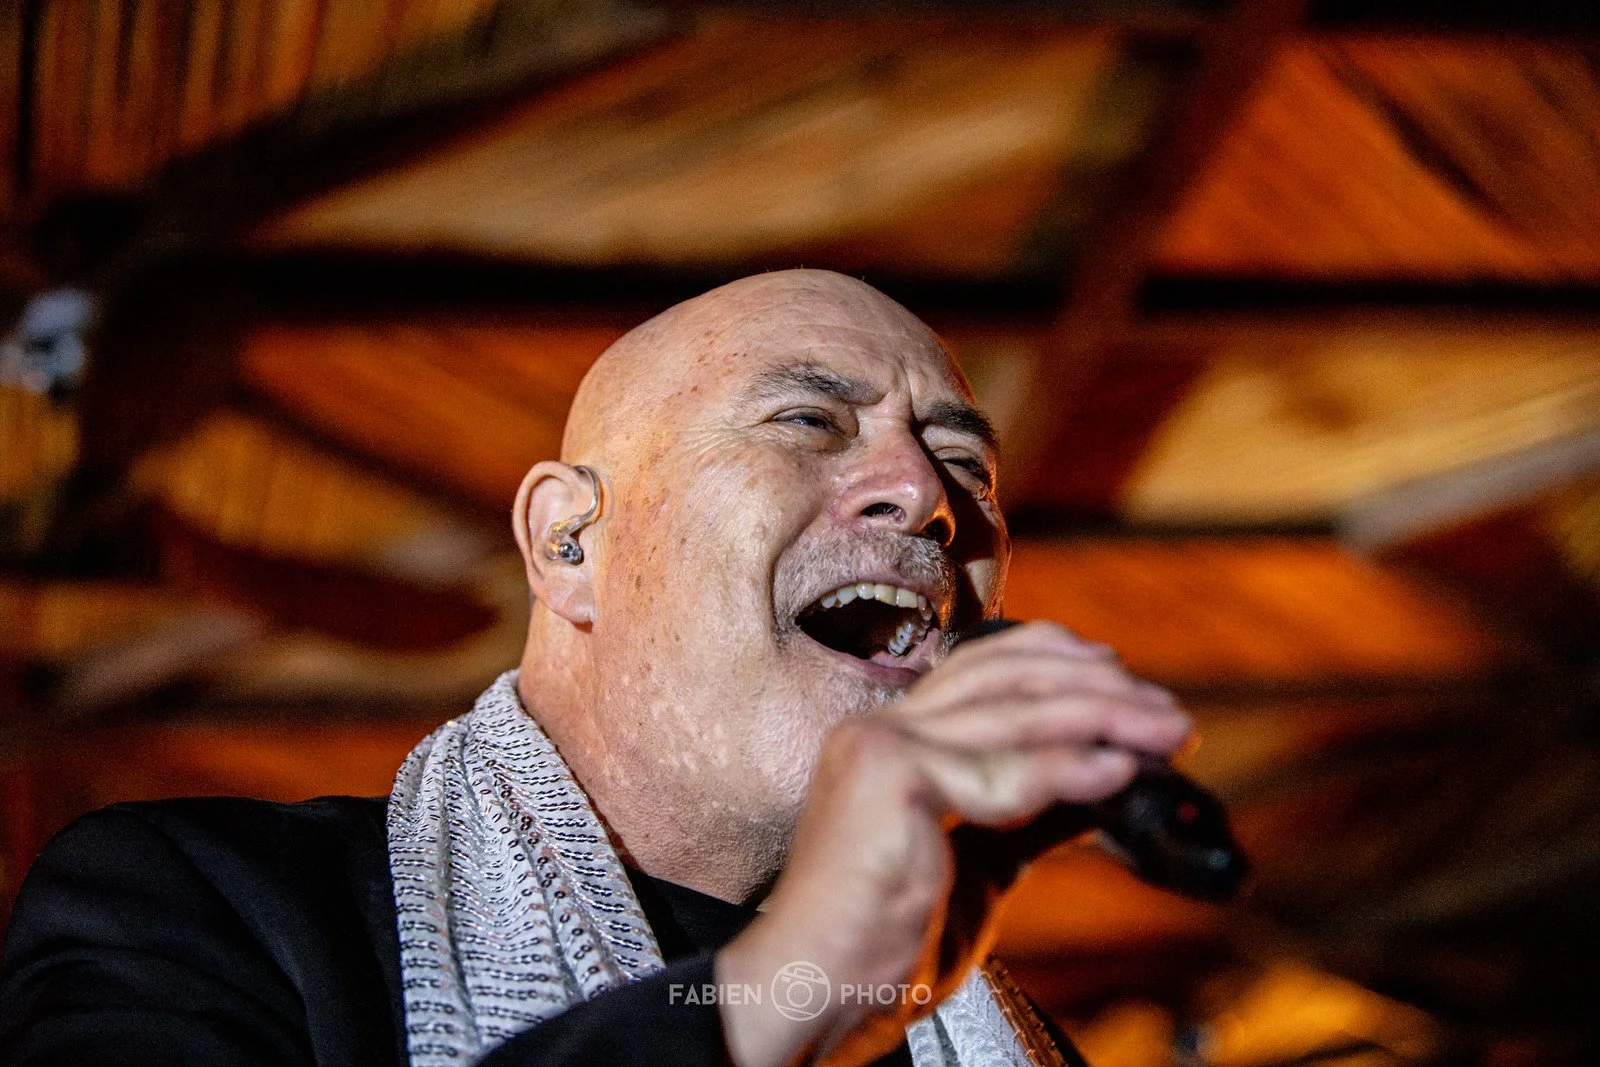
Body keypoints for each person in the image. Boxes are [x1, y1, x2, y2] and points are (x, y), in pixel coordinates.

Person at [0, 270, 1191, 1066]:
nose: (927, 498)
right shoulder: (200, 906)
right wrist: (773, 993)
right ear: (569, 542)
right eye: (808, 422)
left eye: (964, 465)